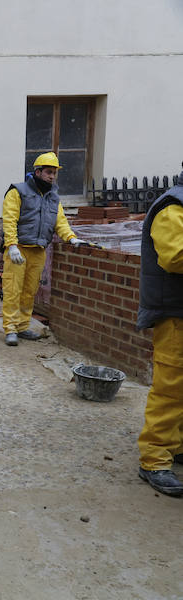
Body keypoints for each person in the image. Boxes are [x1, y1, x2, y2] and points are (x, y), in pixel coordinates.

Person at [1, 151, 90, 346]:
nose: (52, 176)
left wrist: (72, 238)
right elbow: (9, 220)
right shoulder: (18, 191)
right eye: (48, 172)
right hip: (19, 249)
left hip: (38, 250)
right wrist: (12, 245)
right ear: (38, 171)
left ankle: (22, 326)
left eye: (54, 173)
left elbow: (60, 221)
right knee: (13, 289)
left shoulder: (53, 198)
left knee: (29, 291)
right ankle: (10, 328)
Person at [134, 163, 183, 497]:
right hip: (175, 314)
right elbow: (175, 256)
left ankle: (175, 445)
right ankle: (154, 458)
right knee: (171, 388)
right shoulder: (172, 206)